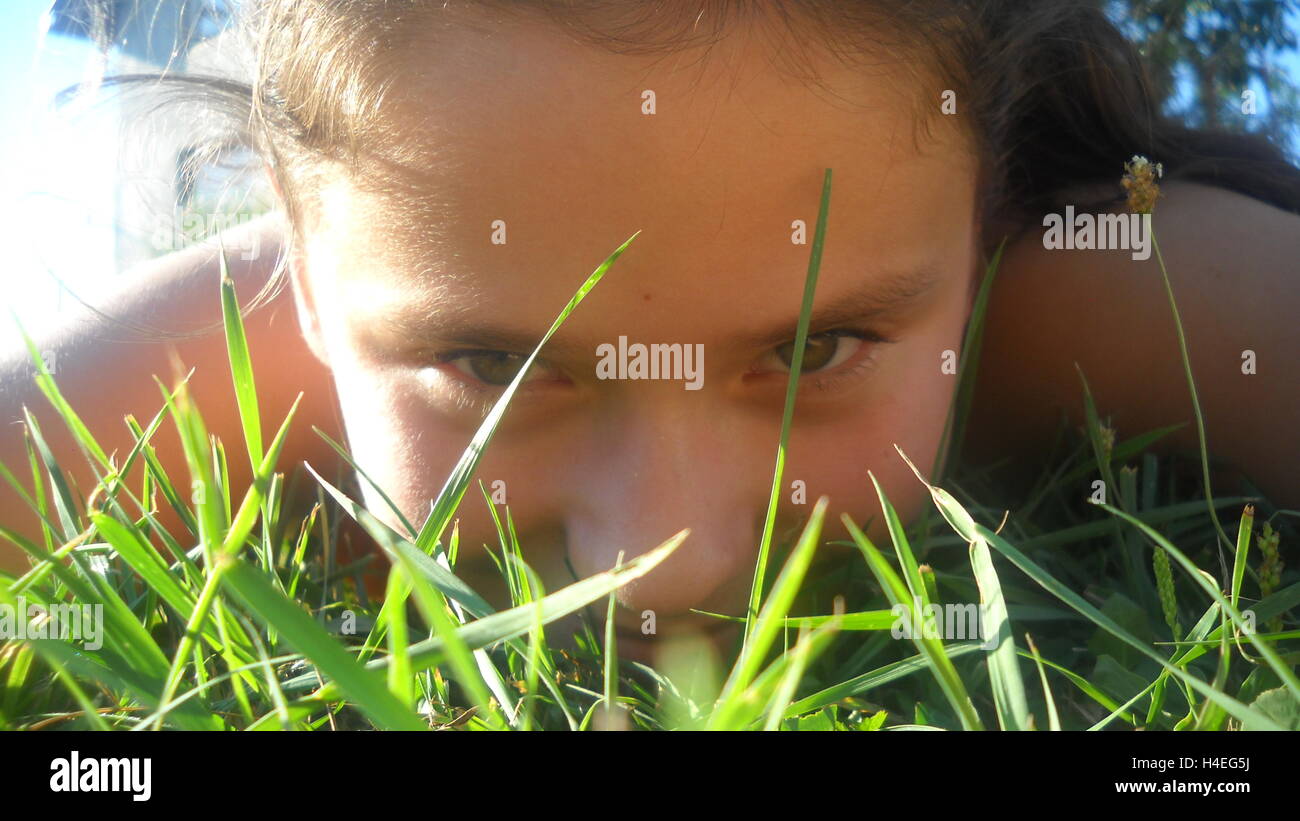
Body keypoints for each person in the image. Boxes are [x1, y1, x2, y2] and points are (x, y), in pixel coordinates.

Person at [2, 0, 1297, 664]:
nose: (659, 559)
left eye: (811, 351)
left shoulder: (1093, 282)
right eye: (496, 367)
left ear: (982, 213)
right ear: (306, 261)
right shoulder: (237, 349)